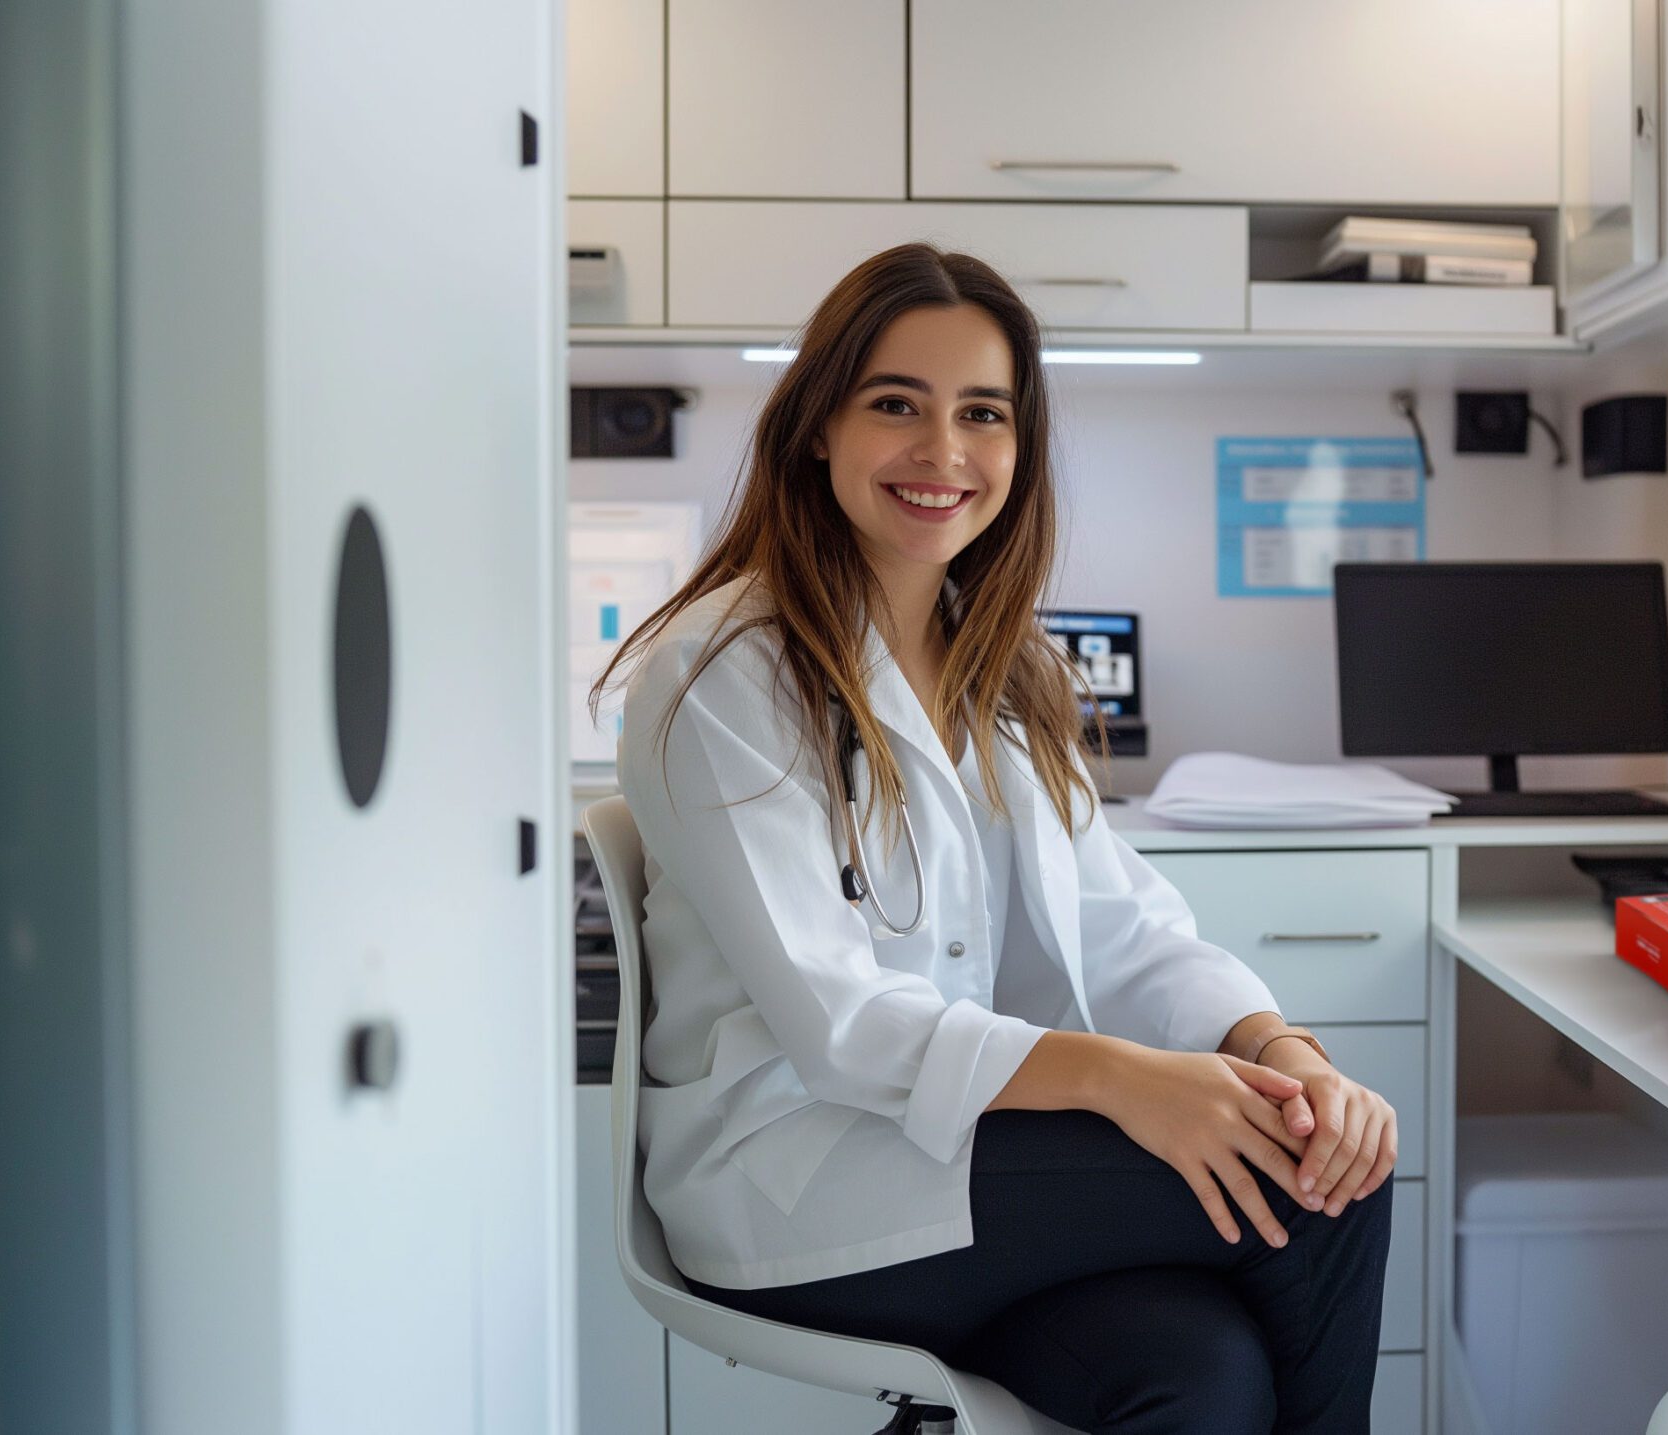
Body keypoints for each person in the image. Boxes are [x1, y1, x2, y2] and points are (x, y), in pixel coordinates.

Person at [596, 242, 1397, 1434]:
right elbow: (841, 1019)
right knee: (1319, 1189)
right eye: (895, 406)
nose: (944, 453)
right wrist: (1123, 1078)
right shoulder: (725, 672)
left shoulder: (1001, 668)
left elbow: (1124, 926)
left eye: (983, 413)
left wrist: (1281, 1047)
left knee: (1201, 1374)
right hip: (796, 1174)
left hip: (958, 1169)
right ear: (819, 425)